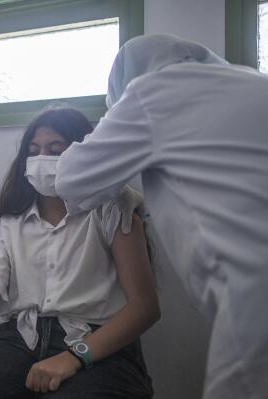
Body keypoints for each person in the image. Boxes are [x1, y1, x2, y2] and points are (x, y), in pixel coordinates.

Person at [54, 34, 268, 399]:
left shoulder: (151, 91)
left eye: (52, 148)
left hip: (255, 302)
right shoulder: (254, 83)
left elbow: (72, 180)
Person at [0, 107, 160, 399]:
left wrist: (74, 357)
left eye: (54, 148)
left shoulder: (113, 209)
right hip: (21, 340)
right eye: (33, 150)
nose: (41, 159)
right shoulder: (8, 222)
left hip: (98, 345)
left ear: (82, 152)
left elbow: (145, 308)